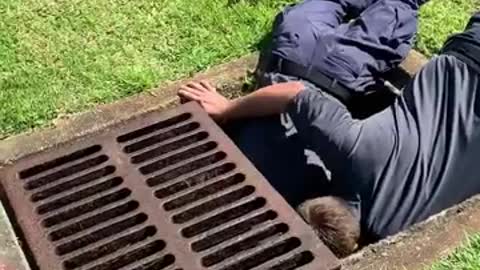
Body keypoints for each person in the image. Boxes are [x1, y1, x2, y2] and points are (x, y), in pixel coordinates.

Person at [178, 0, 440, 257]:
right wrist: (226, 110)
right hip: (313, 61)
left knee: (383, 11)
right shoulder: (318, 185)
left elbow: (294, 95)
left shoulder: (328, 185)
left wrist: (225, 109)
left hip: (306, 61)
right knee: (397, 8)